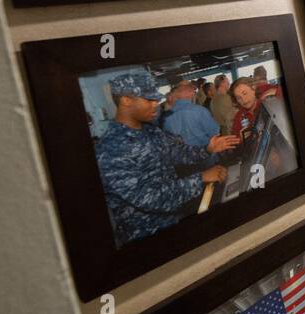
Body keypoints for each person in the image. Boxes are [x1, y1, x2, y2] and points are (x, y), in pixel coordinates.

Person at [92, 71, 228, 245]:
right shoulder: (110, 150)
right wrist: (200, 178)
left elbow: (179, 153)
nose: (155, 104)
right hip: (147, 237)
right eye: (148, 100)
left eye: (156, 99)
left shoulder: (151, 131)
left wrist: (208, 149)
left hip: (174, 220)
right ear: (126, 101)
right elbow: (150, 199)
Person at [163, 80, 240, 153]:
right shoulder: (199, 111)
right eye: (194, 91)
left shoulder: (165, 117)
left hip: (183, 160)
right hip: (205, 155)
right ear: (191, 94)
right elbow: (215, 132)